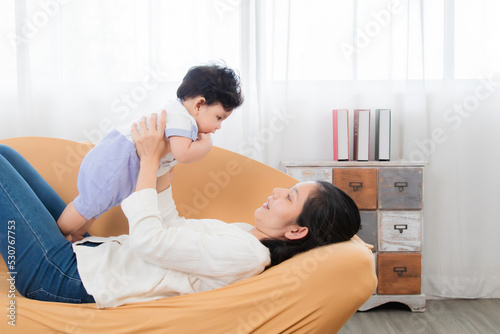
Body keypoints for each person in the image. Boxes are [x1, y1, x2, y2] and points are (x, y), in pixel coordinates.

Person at [0, 112, 360, 308]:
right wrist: (163, 167)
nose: (277, 191)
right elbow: (171, 228)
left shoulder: (244, 255)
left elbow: (149, 242)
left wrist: (147, 160)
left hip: (61, 276)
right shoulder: (242, 236)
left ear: (297, 231)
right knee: (8, 156)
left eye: (290, 197)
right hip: (88, 255)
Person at [57, 62, 244, 242]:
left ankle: (74, 236)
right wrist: (206, 145)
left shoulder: (179, 114)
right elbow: (182, 154)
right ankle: (57, 237)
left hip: (119, 162)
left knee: (95, 207)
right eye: (218, 117)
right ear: (198, 105)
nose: (218, 126)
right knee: (86, 206)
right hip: (116, 162)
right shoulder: (182, 119)